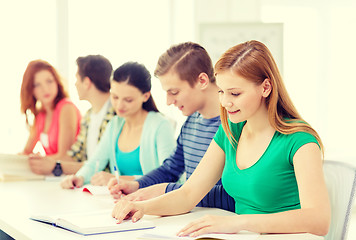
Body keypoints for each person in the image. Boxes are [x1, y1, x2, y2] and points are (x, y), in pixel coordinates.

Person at [111, 40, 331, 237]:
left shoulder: (300, 140)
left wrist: (238, 222)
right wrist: (143, 207)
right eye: (222, 92)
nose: (225, 102)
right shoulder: (230, 132)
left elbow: (319, 222)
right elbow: (188, 193)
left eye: (235, 94)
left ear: (265, 87)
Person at [108, 42, 235, 212]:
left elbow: (234, 194)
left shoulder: (235, 124)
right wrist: (137, 185)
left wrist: (165, 191)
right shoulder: (192, 121)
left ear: (202, 81)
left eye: (174, 92)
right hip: (192, 218)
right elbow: (171, 168)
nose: (168, 101)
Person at [61, 62, 176, 188]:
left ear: (145, 96)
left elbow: (168, 175)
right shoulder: (114, 124)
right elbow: (94, 163)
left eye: (128, 100)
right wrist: (79, 177)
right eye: (115, 97)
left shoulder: (161, 125)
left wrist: (119, 179)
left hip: (151, 201)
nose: (119, 106)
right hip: (122, 199)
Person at [26, 55, 116, 177]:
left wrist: (56, 166)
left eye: (77, 79)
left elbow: (104, 167)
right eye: (37, 85)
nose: (75, 84)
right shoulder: (89, 116)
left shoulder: (116, 114)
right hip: (89, 184)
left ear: (86, 83)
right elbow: (75, 155)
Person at [20, 59, 81, 162]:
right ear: (30, 90)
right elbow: (26, 152)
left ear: (57, 82)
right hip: (52, 176)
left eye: (49, 81)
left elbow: (65, 157)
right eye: (37, 85)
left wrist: (37, 159)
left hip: (70, 174)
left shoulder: (66, 108)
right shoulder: (41, 116)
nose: (45, 89)